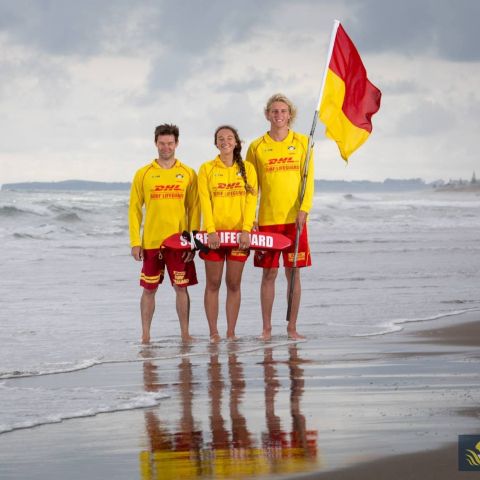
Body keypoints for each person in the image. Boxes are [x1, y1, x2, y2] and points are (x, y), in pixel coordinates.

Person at [246, 94, 314, 341]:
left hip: (294, 219)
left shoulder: (304, 143)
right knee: (269, 274)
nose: (279, 115)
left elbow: (309, 181)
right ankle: (266, 329)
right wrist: (250, 216)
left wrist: (304, 210)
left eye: (283, 111)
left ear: (290, 115)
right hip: (267, 220)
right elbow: (251, 187)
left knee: (293, 272)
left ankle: (292, 328)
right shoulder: (256, 146)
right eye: (274, 111)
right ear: (267, 115)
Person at [129, 124, 200, 344]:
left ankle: (185, 334)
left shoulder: (188, 173)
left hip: (179, 242)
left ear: (176, 144)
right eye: (162, 143)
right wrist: (135, 242)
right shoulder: (144, 173)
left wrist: (193, 242)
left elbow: (195, 208)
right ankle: (145, 336)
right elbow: (134, 209)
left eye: (170, 143)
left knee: (181, 287)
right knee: (149, 289)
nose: (166, 147)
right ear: (156, 143)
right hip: (151, 241)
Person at [198, 125, 258, 343]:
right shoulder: (206, 169)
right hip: (213, 237)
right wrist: (211, 231)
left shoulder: (248, 169)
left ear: (236, 142)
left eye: (229, 138)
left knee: (234, 284)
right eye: (220, 138)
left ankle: (231, 332)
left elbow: (252, 201)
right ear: (216, 143)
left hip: (238, 237)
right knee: (213, 284)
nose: (225, 141)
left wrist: (246, 229)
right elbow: (205, 201)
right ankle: (214, 332)